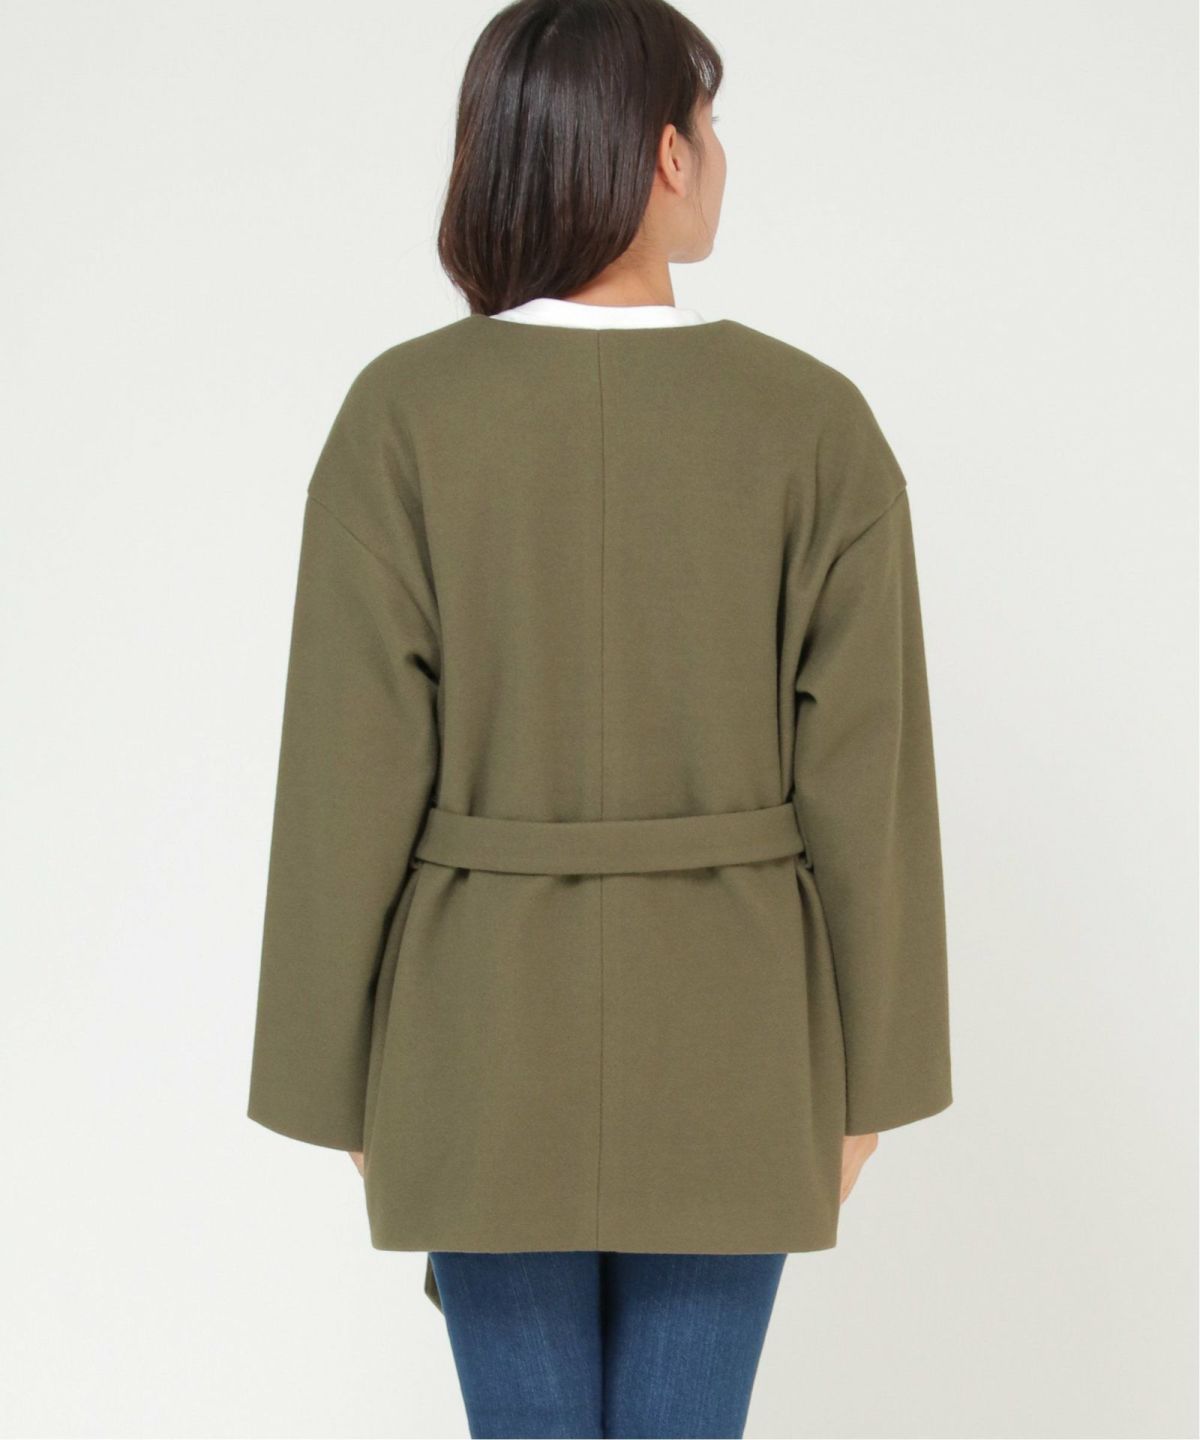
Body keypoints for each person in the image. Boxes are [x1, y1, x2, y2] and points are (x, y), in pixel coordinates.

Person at [245, 0, 954, 1435]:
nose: (718, 155)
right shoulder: (813, 424)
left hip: (475, 1035)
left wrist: (344, 1080)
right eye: (710, 123)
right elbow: (864, 781)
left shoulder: (402, 418)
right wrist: (870, 1080)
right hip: (740, 1031)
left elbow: (345, 776)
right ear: (663, 154)